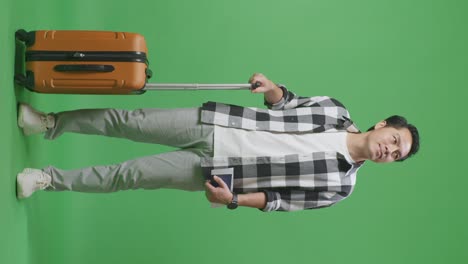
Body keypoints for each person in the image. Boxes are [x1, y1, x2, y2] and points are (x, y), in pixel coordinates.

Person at [16, 73, 420, 212]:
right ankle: (47, 123)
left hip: (221, 173)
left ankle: (48, 180)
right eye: (394, 140)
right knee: (129, 120)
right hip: (218, 124)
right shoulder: (334, 110)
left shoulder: (342, 186)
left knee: (131, 174)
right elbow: (289, 105)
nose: (390, 149)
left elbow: (279, 201)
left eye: (396, 154)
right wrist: (275, 88)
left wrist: (232, 200)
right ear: (383, 125)